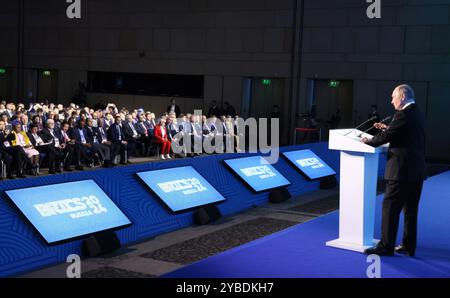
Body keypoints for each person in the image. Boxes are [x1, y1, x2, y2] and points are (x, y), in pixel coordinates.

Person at [362, 84, 426, 257]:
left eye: (393, 97)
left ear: (402, 97)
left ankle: (385, 247)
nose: (391, 101)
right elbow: (405, 134)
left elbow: (384, 138)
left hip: (401, 171)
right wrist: (387, 128)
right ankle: (408, 246)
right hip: (416, 171)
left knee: (390, 208)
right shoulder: (418, 112)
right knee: (410, 211)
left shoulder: (402, 114)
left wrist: (366, 140)